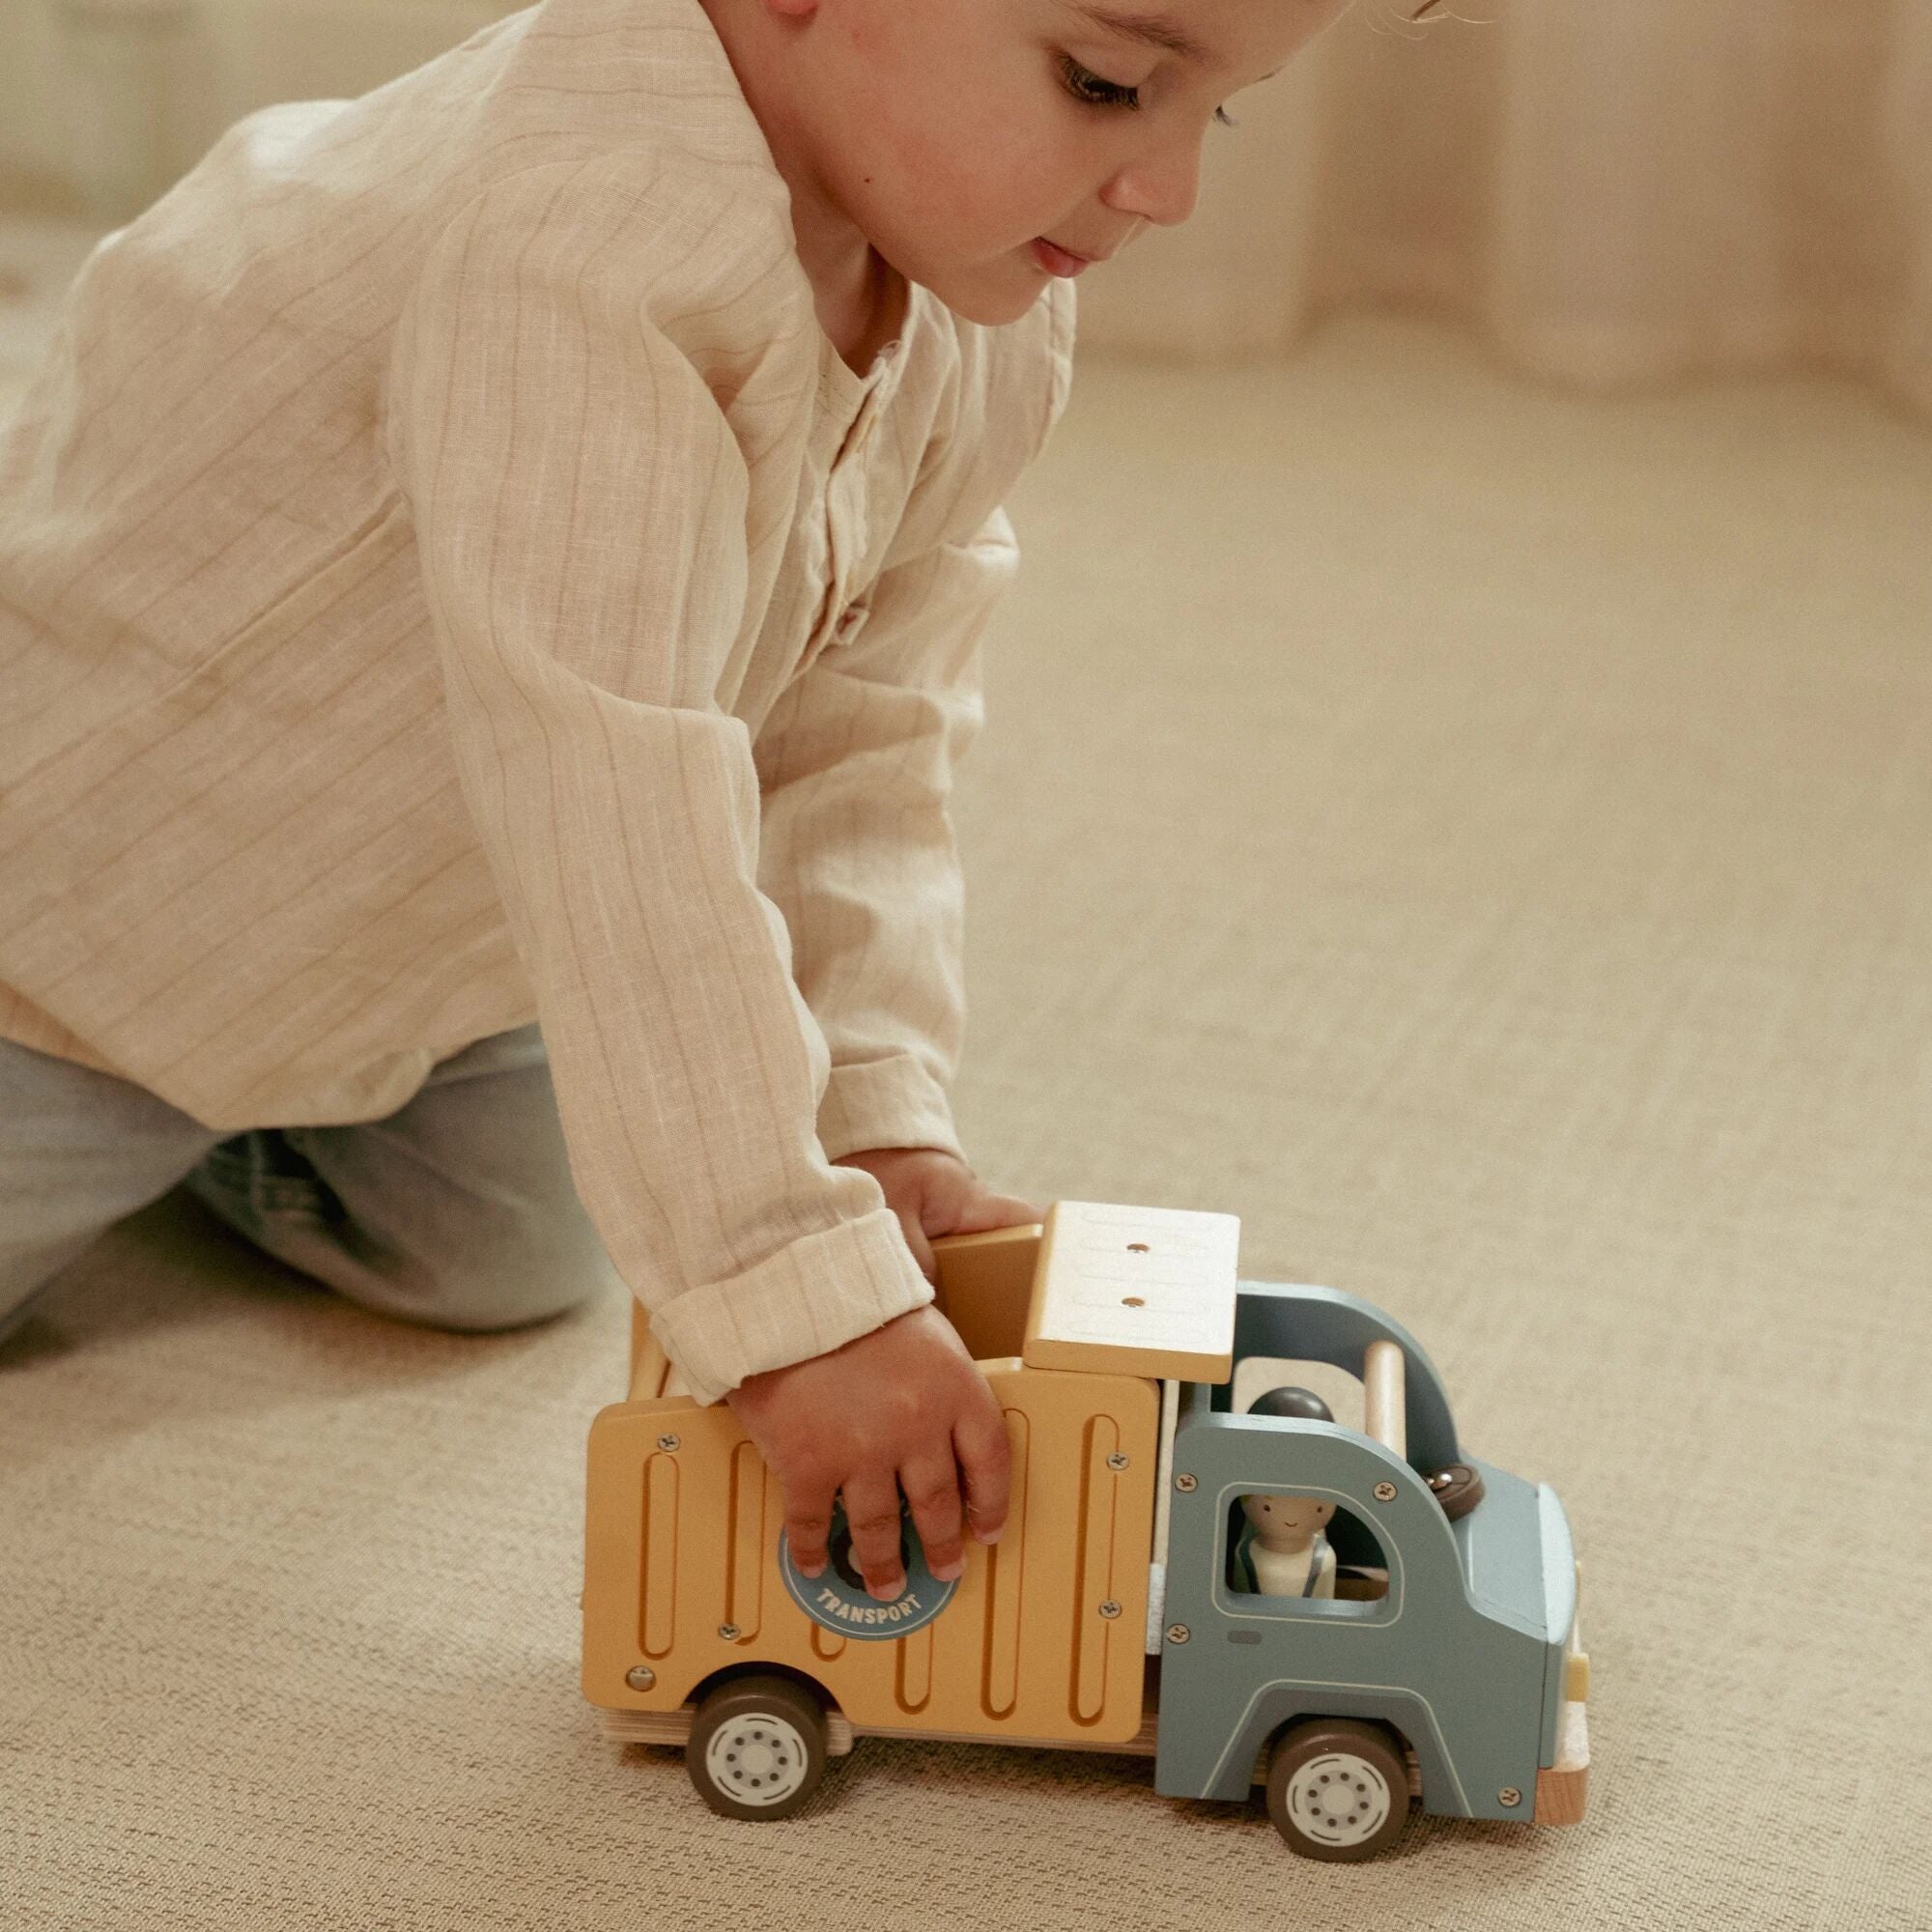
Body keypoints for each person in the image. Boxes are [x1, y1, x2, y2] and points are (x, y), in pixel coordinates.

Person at [0, 0, 1350, 1606]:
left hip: (431, 916)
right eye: (1109, 85)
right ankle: (192, 1104)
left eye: (1226, 111)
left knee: (510, 1254)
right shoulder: (581, 233)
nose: (1169, 188)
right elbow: (609, 763)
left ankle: (271, 1101)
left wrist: (868, 1116)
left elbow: (861, 712)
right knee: (704, 1225)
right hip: (67, 935)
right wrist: (795, 1296)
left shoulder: (968, 283)